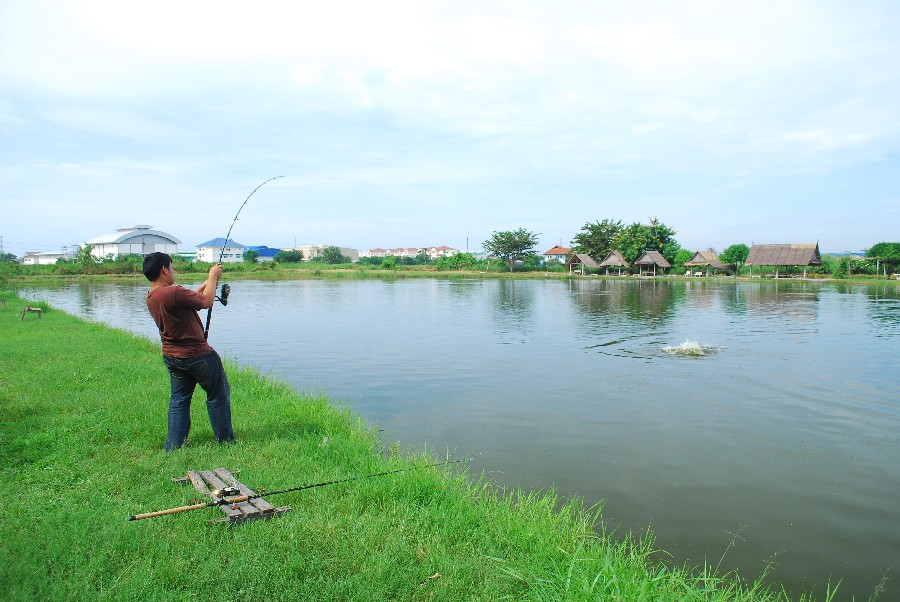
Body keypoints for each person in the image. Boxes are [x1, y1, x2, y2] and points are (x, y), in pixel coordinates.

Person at [143, 252, 235, 451]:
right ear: (164, 269)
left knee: (179, 400)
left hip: (172, 356)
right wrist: (213, 275)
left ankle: (174, 446)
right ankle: (226, 442)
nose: (173, 271)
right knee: (217, 394)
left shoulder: (153, 296)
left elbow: (192, 299)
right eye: (172, 267)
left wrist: (208, 284)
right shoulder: (172, 292)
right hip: (198, 355)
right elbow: (207, 302)